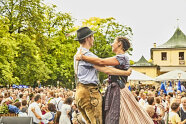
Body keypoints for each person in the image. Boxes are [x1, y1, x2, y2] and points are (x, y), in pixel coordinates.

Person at [76, 35, 153, 124]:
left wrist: (83, 57)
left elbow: (101, 62)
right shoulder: (119, 58)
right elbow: (103, 67)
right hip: (114, 89)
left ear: (119, 44)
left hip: (118, 90)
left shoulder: (123, 57)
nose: (112, 44)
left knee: (118, 116)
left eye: (114, 42)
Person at [74, 27, 132, 124]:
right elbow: (105, 67)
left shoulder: (78, 53)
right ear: (88, 38)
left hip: (79, 92)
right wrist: (125, 73)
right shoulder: (86, 55)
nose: (93, 39)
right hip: (90, 93)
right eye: (92, 37)